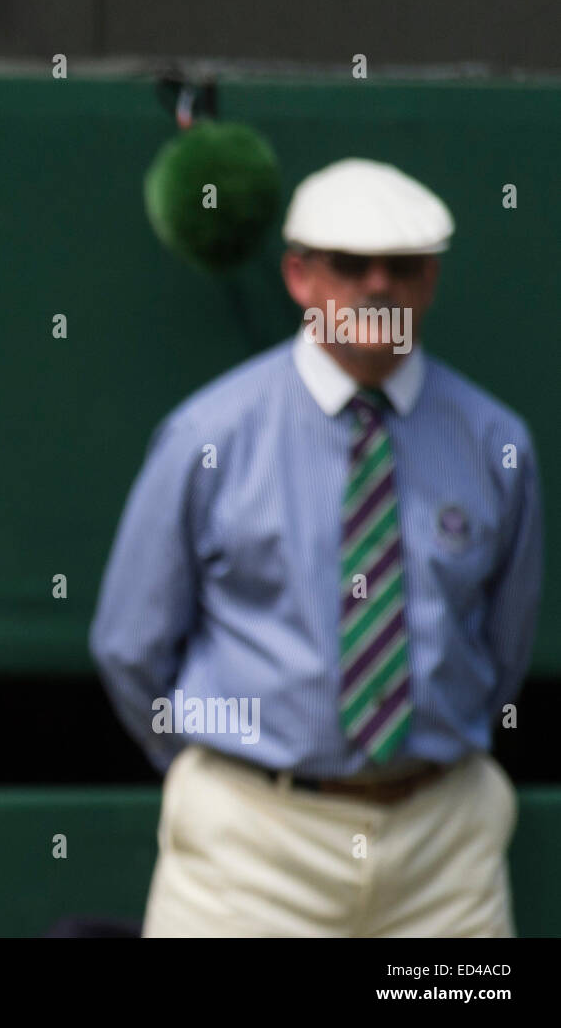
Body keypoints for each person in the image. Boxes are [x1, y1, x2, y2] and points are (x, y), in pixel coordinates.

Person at [90, 157, 542, 937]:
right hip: (249, 844)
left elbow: (506, 642)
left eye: (402, 266)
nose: (377, 285)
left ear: (431, 280)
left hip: (445, 843)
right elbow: (131, 643)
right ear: (298, 275)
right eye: (349, 264)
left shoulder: (496, 442)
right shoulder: (210, 435)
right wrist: (235, 774)